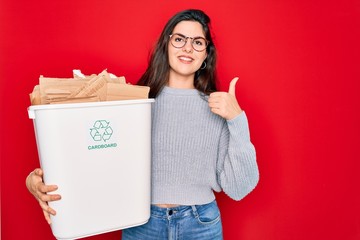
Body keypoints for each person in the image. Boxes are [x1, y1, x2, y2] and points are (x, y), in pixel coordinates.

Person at [26, 9, 259, 240]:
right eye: (179, 39)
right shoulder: (132, 103)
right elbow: (88, 154)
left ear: (206, 53)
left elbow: (239, 188)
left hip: (201, 224)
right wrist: (35, 180)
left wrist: (237, 119)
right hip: (142, 222)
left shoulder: (219, 109)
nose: (188, 47)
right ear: (166, 45)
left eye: (198, 42)